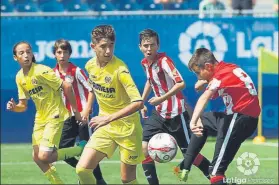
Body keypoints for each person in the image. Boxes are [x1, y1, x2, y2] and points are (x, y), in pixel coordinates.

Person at [6, 41, 87, 184]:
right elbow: (23, 106)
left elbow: (67, 86)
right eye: (21, 53)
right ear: (15, 58)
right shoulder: (19, 77)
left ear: (32, 54)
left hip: (55, 115)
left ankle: (79, 149)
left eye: (28, 52)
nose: (26, 55)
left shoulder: (41, 71)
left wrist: (76, 112)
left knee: (44, 156)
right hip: (40, 118)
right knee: (36, 157)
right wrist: (14, 107)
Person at [138, 29, 211, 184]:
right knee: (144, 148)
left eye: (152, 45)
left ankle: (216, 177)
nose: (149, 49)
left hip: (177, 114)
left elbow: (181, 83)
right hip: (159, 115)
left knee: (190, 154)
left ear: (158, 45)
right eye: (145, 45)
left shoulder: (165, 61)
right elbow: (150, 81)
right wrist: (141, 102)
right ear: (140, 47)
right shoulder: (145, 63)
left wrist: (161, 98)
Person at [75, 25, 144, 184]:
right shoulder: (90, 65)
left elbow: (138, 102)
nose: (108, 51)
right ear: (93, 47)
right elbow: (93, 87)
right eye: (103, 46)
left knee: (127, 180)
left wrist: (108, 118)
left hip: (128, 129)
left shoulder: (120, 70)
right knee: (82, 170)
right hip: (106, 126)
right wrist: (87, 108)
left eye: (111, 46)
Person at [182, 48, 260, 184]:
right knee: (204, 120)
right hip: (237, 117)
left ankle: (190, 166)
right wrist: (206, 81)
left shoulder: (221, 75)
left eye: (198, 72)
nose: (198, 77)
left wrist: (192, 122)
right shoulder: (229, 68)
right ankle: (186, 164)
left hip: (239, 119)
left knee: (215, 173)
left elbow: (204, 98)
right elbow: (227, 84)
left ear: (208, 66)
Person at [52, 39, 107, 185]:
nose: (62, 55)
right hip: (67, 117)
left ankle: (99, 181)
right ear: (55, 55)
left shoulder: (76, 71)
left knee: (88, 150)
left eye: (65, 52)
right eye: (59, 52)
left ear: (69, 54)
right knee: (63, 151)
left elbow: (91, 90)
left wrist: (87, 110)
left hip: (83, 116)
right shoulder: (53, 74)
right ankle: (84, 172)